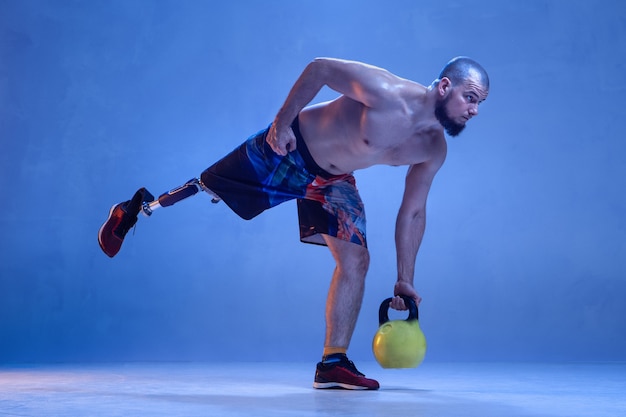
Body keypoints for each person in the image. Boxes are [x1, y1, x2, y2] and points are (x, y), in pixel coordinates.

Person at [98, 57, 489, 390]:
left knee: (356, 260)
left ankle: (332, 363)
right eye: (469, 98)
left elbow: (413, 211)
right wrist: (281, 123)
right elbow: (319, 68)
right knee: (208, 186)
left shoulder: (433, 148)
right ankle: (135, 210)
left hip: (333, 182)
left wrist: (405, 277)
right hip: (289, 150)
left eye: (479, 103)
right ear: (443, 87)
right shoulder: (387, 91)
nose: (473, 111)